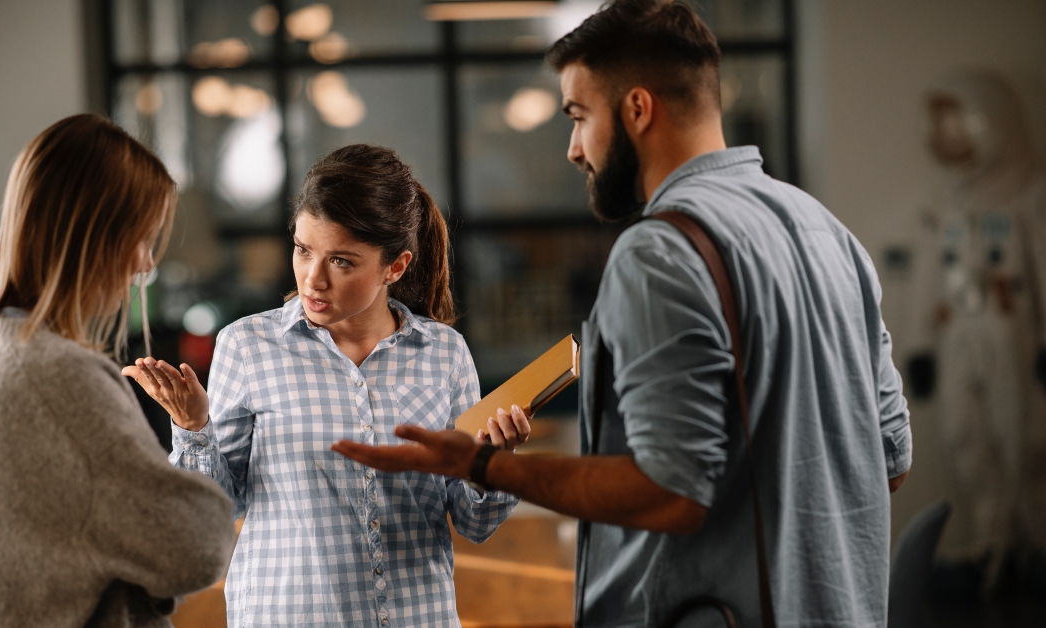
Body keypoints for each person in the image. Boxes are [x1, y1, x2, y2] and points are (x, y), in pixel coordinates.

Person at [331, 1, 913, 626]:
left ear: (637, 109)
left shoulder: (661, 251)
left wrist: (478, 464)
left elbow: (672, 491)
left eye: (580, 116)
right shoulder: (827, 232)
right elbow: (889, 460)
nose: (574, 149)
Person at [125, 144, 530, 628]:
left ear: (394, 267)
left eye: (341, 261)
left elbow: (473, 522)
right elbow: (220, 507)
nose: (312, 279)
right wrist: (193, 426)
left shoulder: (445, 355)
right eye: (303, 250)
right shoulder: (248, 346)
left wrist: (493, 464)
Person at [0, 114, 236, 627]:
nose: (143, 264)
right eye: (140, 238)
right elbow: (196, 546)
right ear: (90, 234)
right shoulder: (56, 375)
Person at [905, 70, 1046, 594]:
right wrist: (920, 346)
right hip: (959, 336)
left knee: (1029, 441)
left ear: (994, 124)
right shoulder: (944, 202)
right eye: (941, 124)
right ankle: (992, 548)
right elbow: (927, 275)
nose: (949, 136)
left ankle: (1035, 546)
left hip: (1015, 338)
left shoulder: (1030, 191)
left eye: (958, 122)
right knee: (967, 438)